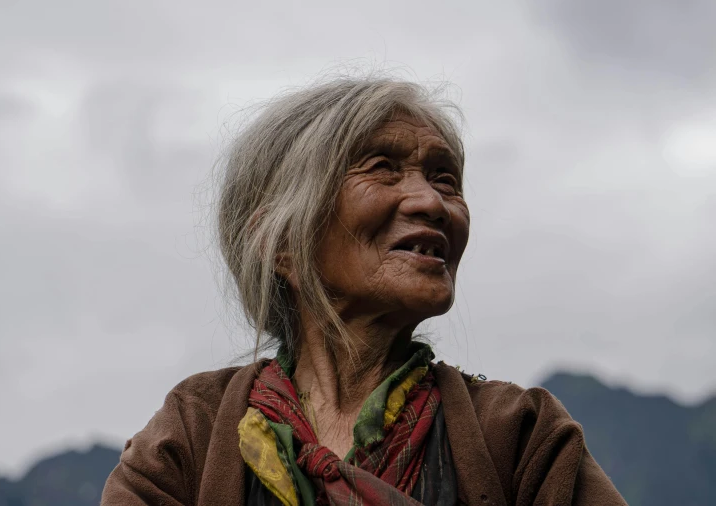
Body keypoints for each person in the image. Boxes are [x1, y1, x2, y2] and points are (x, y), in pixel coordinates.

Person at [101, 77, 627, 505]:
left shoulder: (521, 438)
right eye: (383, 169)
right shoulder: (190, 437)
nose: (431, 203)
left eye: (445, 179)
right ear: (280, 240)